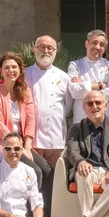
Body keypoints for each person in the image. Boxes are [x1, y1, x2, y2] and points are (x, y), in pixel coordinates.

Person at [0, 53, 51, 192]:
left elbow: (31, 120)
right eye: (6, 67)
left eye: (14, 67)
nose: (10, 71)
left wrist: (27, 146)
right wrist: (17, 146)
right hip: (3, 146)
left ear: (20, 70)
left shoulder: (24, 90)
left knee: (48, 170)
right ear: (0, 71)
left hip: (22, 145)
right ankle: (30, 211)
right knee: (35, 171)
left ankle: (46, 212)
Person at [25, 35, 72, 169]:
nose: (46, 51)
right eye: (42, 47)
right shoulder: (24, 75)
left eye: (50, 48)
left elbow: (67, 106)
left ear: (55, 52)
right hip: (32, 139)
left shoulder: (64, 77)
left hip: (56, 137)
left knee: (55, 179)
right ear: (34, 50)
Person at [68, 30, 109, 123]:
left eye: (101, 44)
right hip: (81, 119)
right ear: (86, 44)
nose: (97, 47)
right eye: (94, 43)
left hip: (105, 119)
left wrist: (83, 85)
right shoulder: (75, 65)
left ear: (105, 48)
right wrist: (100, 85)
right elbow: (74, 91)